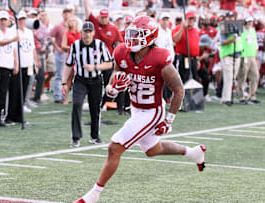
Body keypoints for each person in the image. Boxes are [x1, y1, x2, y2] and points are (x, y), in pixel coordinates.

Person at [73, 16, 206, 203]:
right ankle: (193, 152)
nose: (132, 39)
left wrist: (169, 120)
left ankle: (93, 195)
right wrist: (113, 88)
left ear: (150, 37)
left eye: (137, 35)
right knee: (153, 149)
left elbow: (179, 90)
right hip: (136, 108)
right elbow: (113, 83)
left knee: (114, 148)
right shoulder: (122, 52)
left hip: (152, 111)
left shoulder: (160, 58)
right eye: (131, 34)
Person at [62, 21, 112, 147]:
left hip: (96, 80)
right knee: (77, 104)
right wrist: (63, 83)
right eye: (85, 32)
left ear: (94, 33)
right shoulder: (75, 45)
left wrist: (95, 67)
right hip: (80, 80)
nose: (87, 35)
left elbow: (109, 63)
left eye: (90, 32)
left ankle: (94, 136)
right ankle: (76, 137)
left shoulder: (100, 45)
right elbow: (68, 65)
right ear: (81, 33)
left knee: (95, 108)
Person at [5, 11, 39, 124]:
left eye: (23, 19)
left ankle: (19, 116)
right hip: (17, 65)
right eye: (19, 19)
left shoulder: (29, 32)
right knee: (14, 91)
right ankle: (10, 115)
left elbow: (32, 48)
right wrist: (14, 64)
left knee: (24, 91)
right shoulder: (12, 31)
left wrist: (35, 62)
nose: (21, 21)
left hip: (28, 65)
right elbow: (12, 49)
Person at [0, 10, 19, 126]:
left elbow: (13, 50)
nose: (2, 22)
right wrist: (12, 40)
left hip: (6, 66)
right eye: (1, 20)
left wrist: (15, 64)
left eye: (5, 20)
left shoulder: (10, 33)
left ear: (7, 21)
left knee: (2, 93)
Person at [50, 6, 73, 103]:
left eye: (68, 12)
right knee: (60, 74)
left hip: (70, 54)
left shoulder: (73, 26)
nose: (66, 14)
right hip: (61, 52)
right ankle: (57, 96)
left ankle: (65, 96)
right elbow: (50, 37)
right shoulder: (58, 25)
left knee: (68, 76)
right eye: (65, 12)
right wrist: (57, 47)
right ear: (63, 14)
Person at [219, 11, 243, 106]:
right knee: (229, 78)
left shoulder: (237, 26)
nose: (231, 18)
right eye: (229, 17)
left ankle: (226, 97)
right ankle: (226, 99)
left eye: (232, 17)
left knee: (232, 78)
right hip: (228, 55)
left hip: (237, 54)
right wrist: (231, 40)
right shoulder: (223, 27)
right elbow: (222, 42)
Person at [172, 11, 200, 84]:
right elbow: (175, 39)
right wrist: (182, 28)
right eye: (189, 19)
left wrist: (198, 59)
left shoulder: (195, 30)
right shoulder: (179, 27)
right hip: (184, 58)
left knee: (194, 78)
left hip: (194, 59)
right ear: (185, 19)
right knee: (184, 77)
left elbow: (196, 45)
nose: (191, 20)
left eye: (192, 19)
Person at [237, 16, 260, 104]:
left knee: (255, 76)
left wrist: (256, 56)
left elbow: (255, 44)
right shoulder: (241, 31)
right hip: (244, 56)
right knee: (242, 77)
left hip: (252, 56)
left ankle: (252, 95)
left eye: (251, 21)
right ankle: (241, 97)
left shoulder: (253, 31)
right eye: (248, 21)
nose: (250, 23)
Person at [61, 16, 81, 105]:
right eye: (71, 21)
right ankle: (65, 98)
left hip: (79, 58)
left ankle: (77, 98)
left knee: (79, 79)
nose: (72, 22)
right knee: (69, 79)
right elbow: (63, 45)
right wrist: (73, 47)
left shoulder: (79, 33)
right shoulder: (67, 34)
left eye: (74, 21)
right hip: (71, 57)